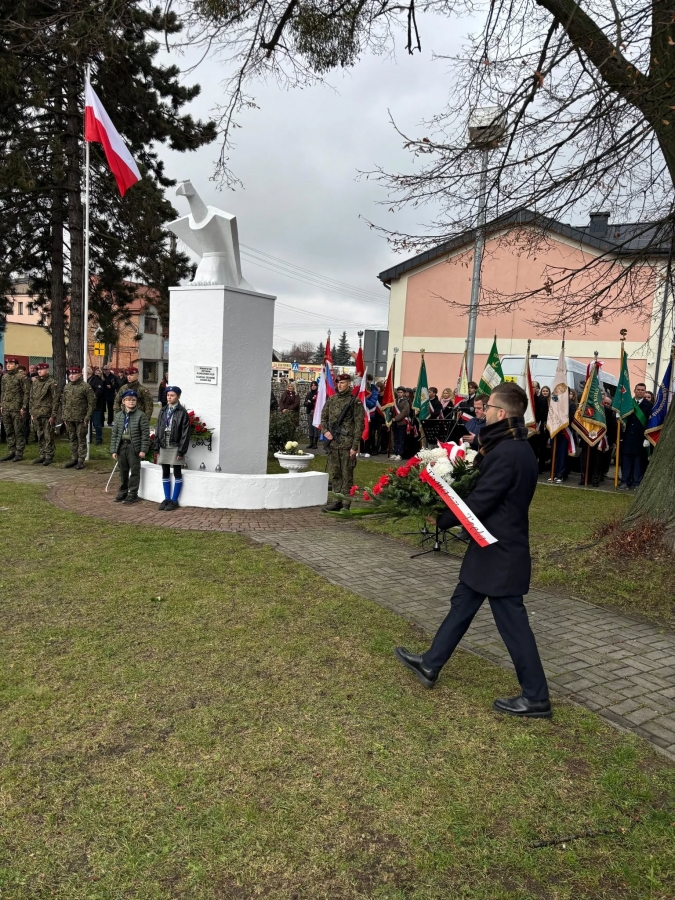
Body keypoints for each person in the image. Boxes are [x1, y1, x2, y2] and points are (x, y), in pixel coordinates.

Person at [395, 382, 551, 718]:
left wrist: (442, 518)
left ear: (501, 413)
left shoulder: (508, 452)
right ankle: (430, 663)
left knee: (513, 624)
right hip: (490, 546)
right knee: (462, 604)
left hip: (500, 551)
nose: (483, 412)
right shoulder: (512, 446)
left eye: (488, 407)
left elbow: (481, 500)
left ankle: (536, 697)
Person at [321, 373, 364, 512]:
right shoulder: (331, 400)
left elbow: (359, 425)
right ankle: (336, 501)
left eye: (343, 383)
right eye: (338, 383)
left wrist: (354, 446)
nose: (339, 385)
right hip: (334, 444)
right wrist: (325, 431)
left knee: (347, 476)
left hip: (347, 445)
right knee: (336, 474)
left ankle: (346, 504)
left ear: (349, 384)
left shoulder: (355, 402)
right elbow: (323, 418)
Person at [110, 390, 150, 504]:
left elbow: (145, 434)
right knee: (123, 470)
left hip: (134, 446)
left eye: (133, 400)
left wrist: (143, 450)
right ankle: (123, 491)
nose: (131, 402)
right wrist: (114, 450)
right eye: (128, 400)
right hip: (122, 445)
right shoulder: (118, 415)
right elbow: (115, 434)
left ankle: (132, 493)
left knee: (134, 470)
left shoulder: (141, 415)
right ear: (123, 401)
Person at [154, 386, 191, 511]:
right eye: (168, 395)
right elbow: (158, 428)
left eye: (172, 395)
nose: (169, 397)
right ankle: (167, 498)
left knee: (177, 472)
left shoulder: (182, 412)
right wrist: (156, 446)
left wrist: (181, 450)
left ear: (178, 397)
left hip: (175, 444)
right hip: (164, 443)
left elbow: (185, 433)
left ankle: (174, 500)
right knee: (165, 471)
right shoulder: (163, 410)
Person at [61, 365, 96, 469]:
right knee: (72, 438)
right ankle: (74, 458)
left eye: (74, 374)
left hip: (81, 418)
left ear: (80, 374)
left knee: (81, 439)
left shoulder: (85, 387)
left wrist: (87, 417)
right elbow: (64, 402)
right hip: (69, 418)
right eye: (70, 374)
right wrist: (64, 416)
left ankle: (81, 460)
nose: (71, 376)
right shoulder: (67, 386)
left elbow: (92, 403)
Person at [619, 382, 653, 490]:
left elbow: (650, 423)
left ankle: (637, 482)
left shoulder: (649, 406)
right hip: (628, 437)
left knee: (639, 462)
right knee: (626, 461)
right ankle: (625, 481)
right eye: (638, 389)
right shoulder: (628, 403)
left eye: (642, 390)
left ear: (645, 391)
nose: (640, 391)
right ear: (634, 391)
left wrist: (647, 438)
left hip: (641, 438)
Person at [29, 362, 61, 466]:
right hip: (36, 413)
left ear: (47, 370)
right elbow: (31, 398)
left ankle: (48, 456)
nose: (39, 371)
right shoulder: (36, 382)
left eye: (42, 369)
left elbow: (55, 400)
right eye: (38, 369)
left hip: (47, 413)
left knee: (48, 436)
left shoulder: (52, 382)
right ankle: (42, 454)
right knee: (39, 435)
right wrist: (31, 412)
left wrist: (53, 415)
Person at [0, 357, 29, 462]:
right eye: (7, 363)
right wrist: (1, 404)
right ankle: (11, 451)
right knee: (9, 431)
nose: (8, 365)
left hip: (17, 409)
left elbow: (26, 393)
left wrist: (24, 407)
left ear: (16, 365)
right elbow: (3, 392)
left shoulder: (21, 377)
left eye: (11, 363)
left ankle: (19, 453)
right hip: (6, 408)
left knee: (18, 431)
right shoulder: (5, 377)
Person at [551, 388, 578, 483]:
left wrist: (560, 422)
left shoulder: (571, 405)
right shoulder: (556, 403)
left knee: (562, 454)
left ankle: (560, 474)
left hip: (564, 432)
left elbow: (570, 418)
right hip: (555, 432)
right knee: (554, 454)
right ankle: (553, 473)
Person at [87, 367, 106, 445]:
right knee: (88, 423)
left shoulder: (96, 380)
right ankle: (89, 438)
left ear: (88, 373)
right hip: (87, 406)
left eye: (83, 372)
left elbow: (99, 392)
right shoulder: (86, 380)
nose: (82, 374)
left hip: (96, 406)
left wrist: (91, 399)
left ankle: (99, 439)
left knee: (96, 423)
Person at [391, 386, 410, 460]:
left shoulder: (406, 402)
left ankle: (400, 454)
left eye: (401, 392)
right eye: (398, 392)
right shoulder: (395, 401)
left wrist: (395, 418)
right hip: (394, 423)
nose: (399, 394)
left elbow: (404, 412)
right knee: (396, 439)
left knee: (401, 439)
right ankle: (395, 452)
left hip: (402, 423)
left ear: (404, 393)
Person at [535, 385, 551, 473]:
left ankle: (542, 465)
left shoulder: (551, 401)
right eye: (543, 391)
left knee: (544, 447)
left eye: (547, 391)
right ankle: (540, 466)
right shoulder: (540, 400)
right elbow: (540, 413)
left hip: (548, 426)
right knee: (540, 447)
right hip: (541, 426)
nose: (545, 392)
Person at [303, 380, 320, 448]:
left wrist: (312, 403)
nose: (313, 386)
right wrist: (309, 403)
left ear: (317, 386)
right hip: (309, 411)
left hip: (316, 413)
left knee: (315, 427)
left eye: (314, 385)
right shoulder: (309, 394)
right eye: (312, 385)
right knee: (310, 427)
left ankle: (315, 443)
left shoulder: (318, 394)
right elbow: (305, 402)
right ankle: (311, 443)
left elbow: (318, 403)